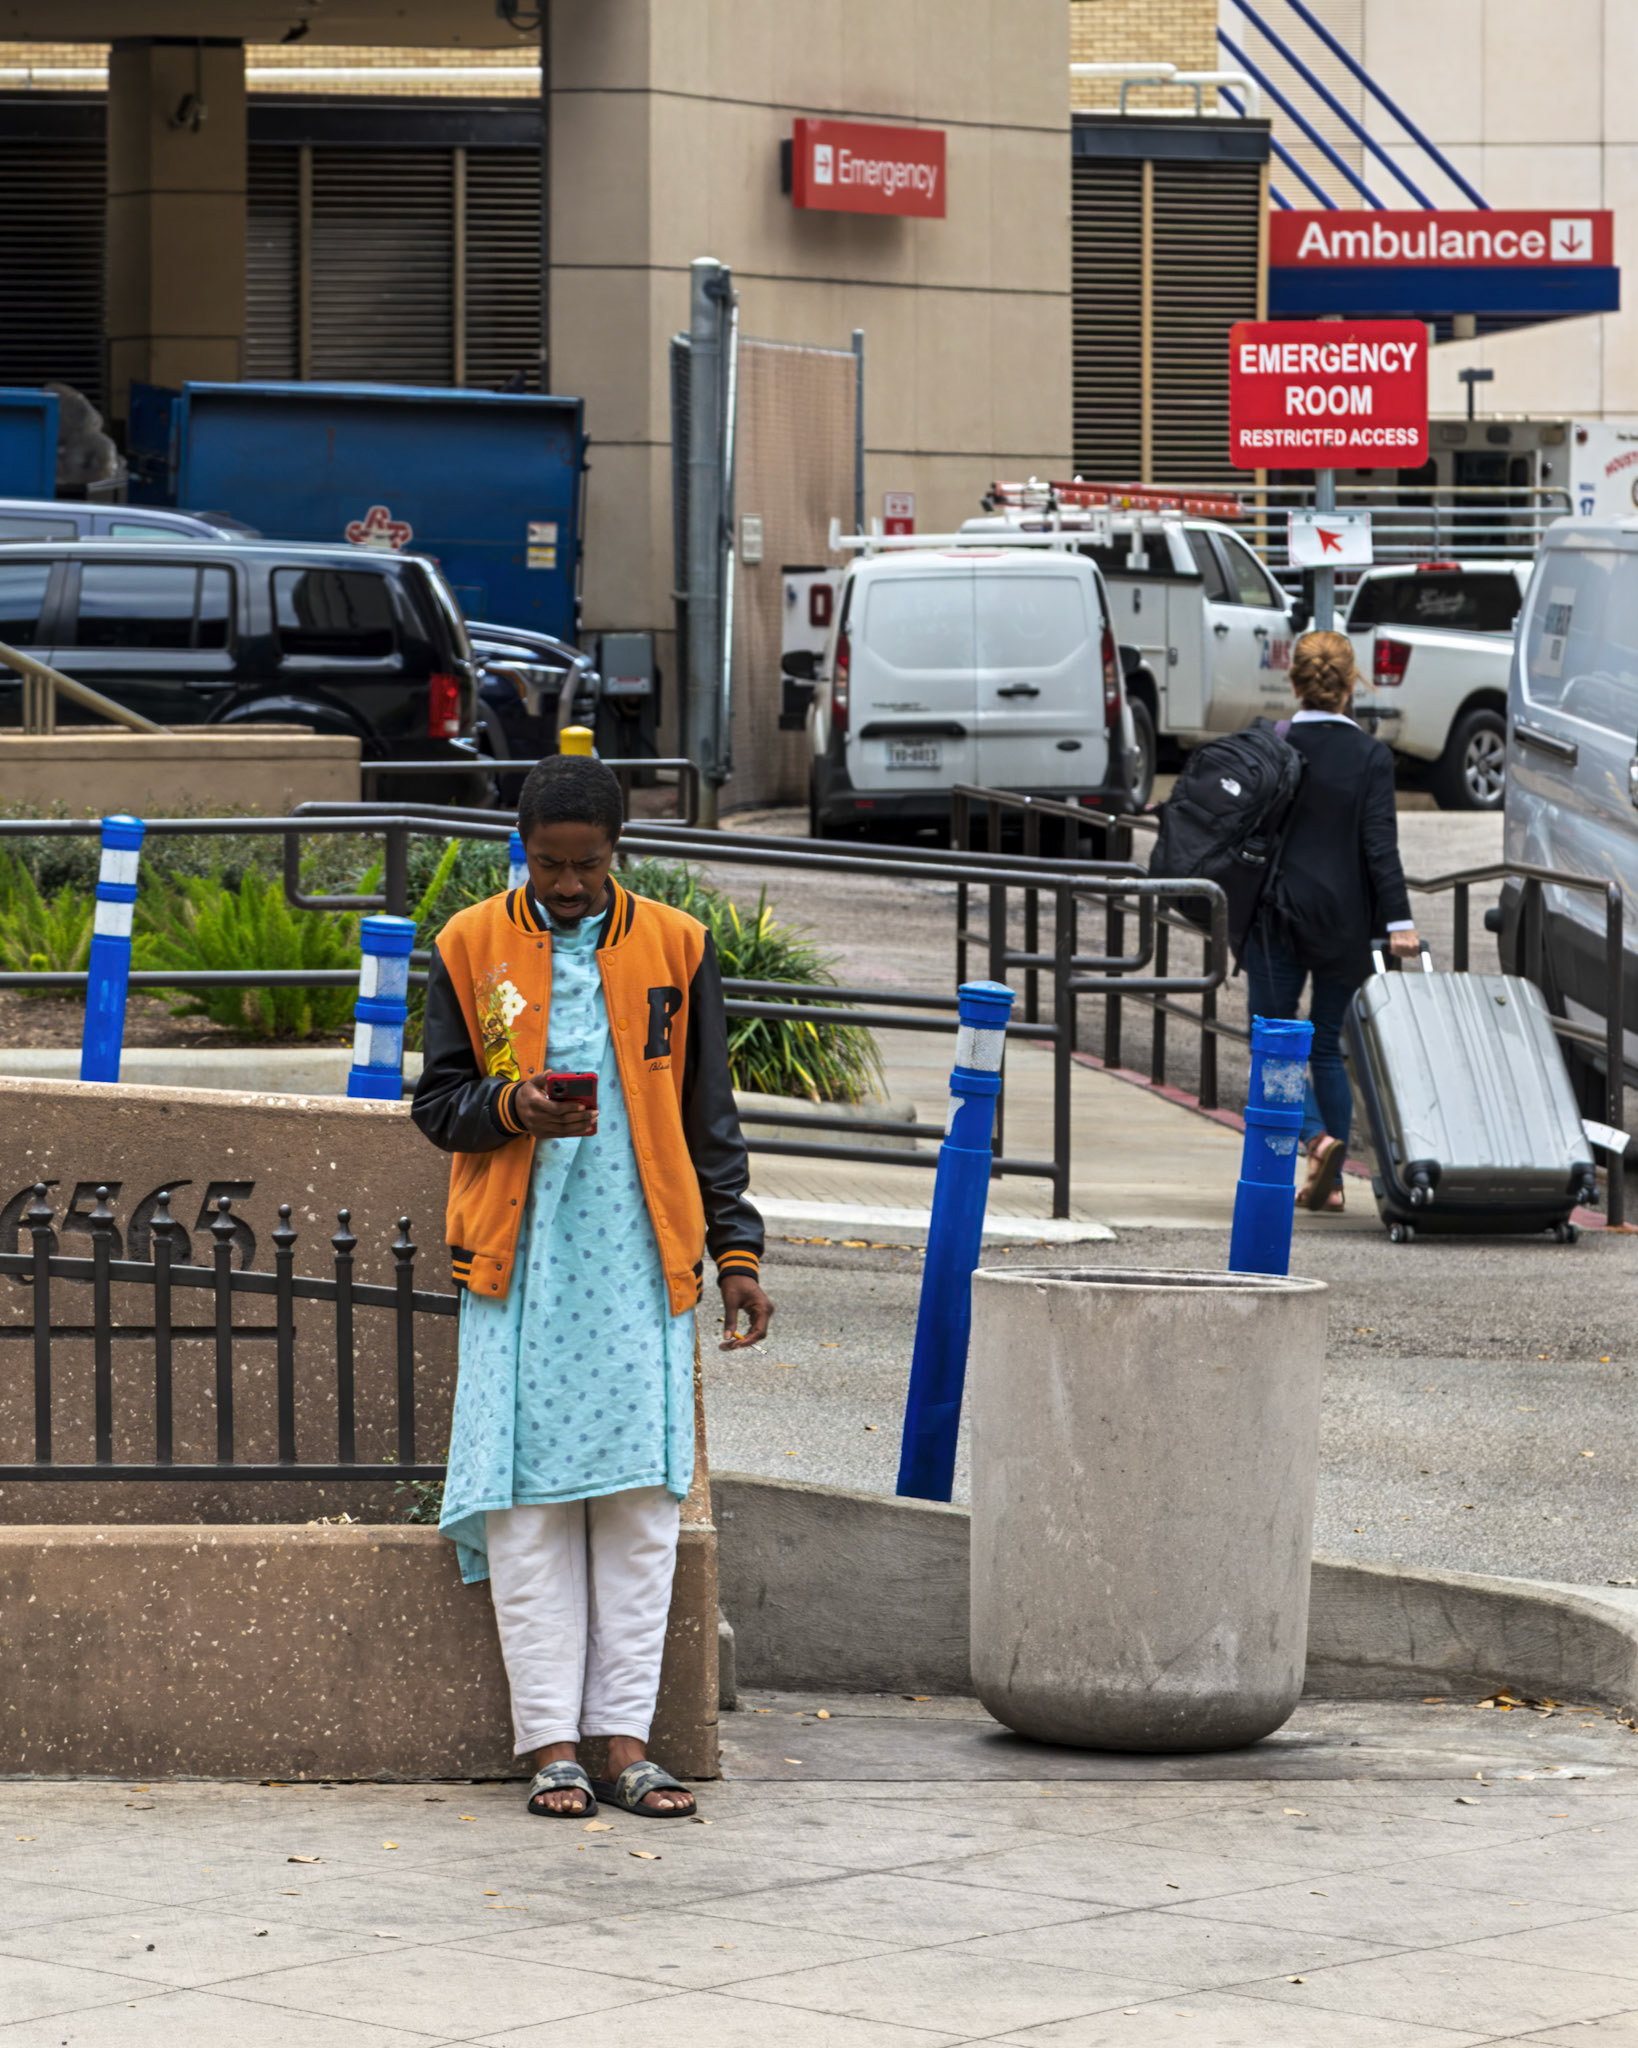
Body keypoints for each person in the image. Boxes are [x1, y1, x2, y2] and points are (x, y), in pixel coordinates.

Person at [412, 754, 772, 1820]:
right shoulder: (467, 941)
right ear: (521, 849)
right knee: (526, 1510)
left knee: (639, 1509)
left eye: (588, 865)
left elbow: (709, 1114)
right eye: (549, 865)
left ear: (619, 852)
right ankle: (552, 1747)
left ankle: (627, 1742)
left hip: (636, 1264)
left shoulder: (678, 944)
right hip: (520, 1267)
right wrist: (512, 1109)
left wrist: (737, 1253)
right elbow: (437, 1105)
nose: (568, 885)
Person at [1247, 628, 1419, 1213]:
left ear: (1294, 683)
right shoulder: (1371, 757)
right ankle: (1335, 1183)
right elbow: (1380, 846)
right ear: (1351, 686)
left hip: (1275, 914)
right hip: (1347, 921)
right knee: (1327, 1047)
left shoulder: (1272, 743)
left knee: (1274, 1039)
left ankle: (1315, 1139)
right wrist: (1398, 921)